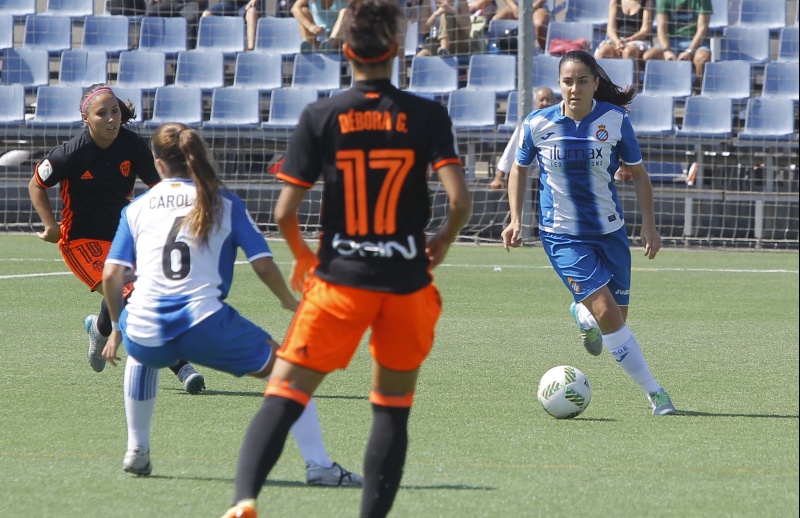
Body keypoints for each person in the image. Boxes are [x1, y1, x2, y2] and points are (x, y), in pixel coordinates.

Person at [221, 0, 472, 515]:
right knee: (391, 410)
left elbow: (284, 211)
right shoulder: (427, 115)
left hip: (339, 282)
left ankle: (245, 500)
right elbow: (461, 201)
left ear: (345, 49)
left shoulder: (321, 116)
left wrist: (302, 257)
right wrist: (444, 238)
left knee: (285, 393)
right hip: (406, 284)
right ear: (396, 50)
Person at [100, 122, 363, 485]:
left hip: (146, 326)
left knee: (142, 349)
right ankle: (319, 465)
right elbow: (263, 264)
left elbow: (112, 275)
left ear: (158, 164)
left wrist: (116, 328)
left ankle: (136, 449)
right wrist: (289, 301)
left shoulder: (137, 208)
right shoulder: (224, 201)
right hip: (205, 323)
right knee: (289, 372)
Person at [501, 50, 676, 417]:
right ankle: (656, 392)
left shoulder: (615, 120)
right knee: (608, 313)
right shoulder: (537, 123)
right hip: (562, 235)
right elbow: (518, 169)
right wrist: (516, 219)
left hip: (610, 232)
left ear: (596, 83)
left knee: (616, 318)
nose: (574, 88)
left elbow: (639, 173)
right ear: (559, 84)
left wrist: (649, 224)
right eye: (568, 81)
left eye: (582, 81)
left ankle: (582, 315)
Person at [27, 83, 207, 395]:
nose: (111, 119)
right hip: (81, 241)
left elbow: (160, 186)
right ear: (86, 119)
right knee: (134, 296)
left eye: (115, 111)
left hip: (124, 236)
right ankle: (182, 367)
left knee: (138, 292)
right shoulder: (69, 154)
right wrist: (51, 226)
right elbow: (36, 184)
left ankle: (98, 328)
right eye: (102, 114)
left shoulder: (132, 145)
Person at [489, 86, 555, 190]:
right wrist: (499, 177)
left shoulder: (561, 125)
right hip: (531, 176)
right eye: (542, 100)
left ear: (555, 102)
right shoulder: (527, 125)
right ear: (535, 103)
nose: (545, 103)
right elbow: (510, 151)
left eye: (548, 100)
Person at [652, 0, 713, 92]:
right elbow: (661, 28)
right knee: (649, 56)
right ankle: (657, 89)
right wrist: (667, 50)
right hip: (671, 41)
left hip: (696, 42)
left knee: (702, 59)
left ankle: (698, 90)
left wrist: (689, 51)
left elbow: (702, 28)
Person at [594, 0, 660, 79]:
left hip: (639, 40)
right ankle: (602, 84)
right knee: (603, 51)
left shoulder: (648, 2)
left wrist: (629, 40)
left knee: (628, 52)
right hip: (617, 40)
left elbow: (645, 30)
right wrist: (617, 42)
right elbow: (610, 29)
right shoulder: (615, 1)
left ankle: (632, 84)